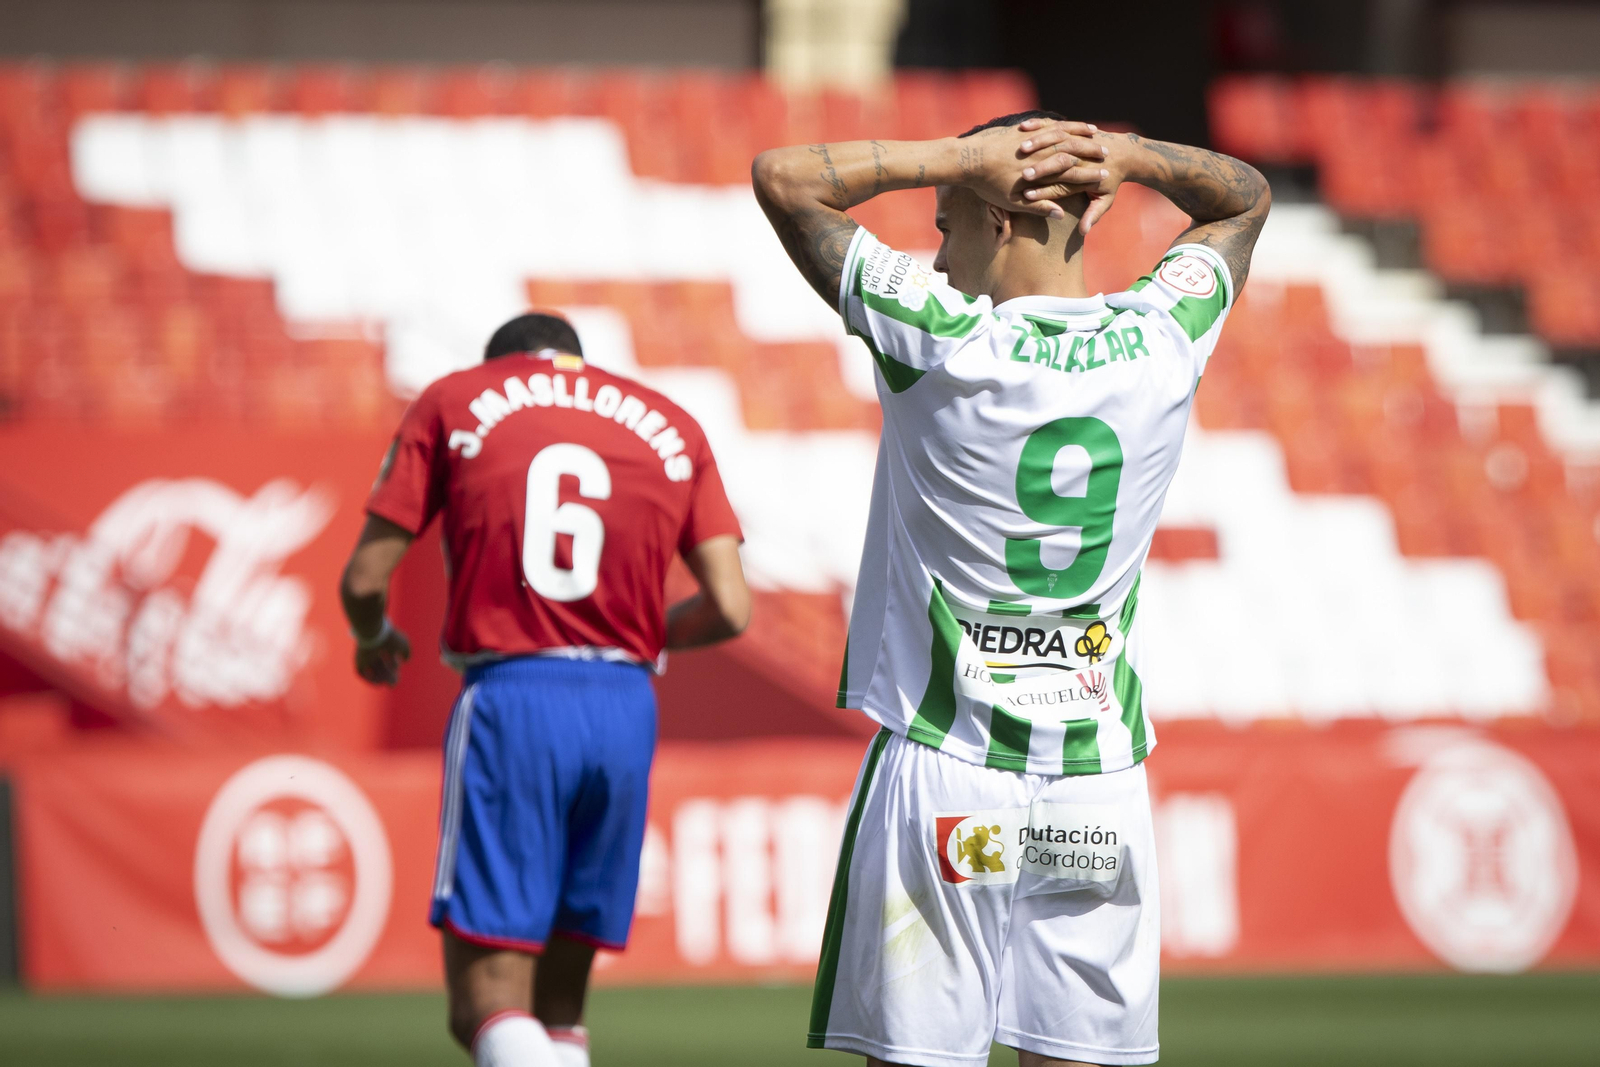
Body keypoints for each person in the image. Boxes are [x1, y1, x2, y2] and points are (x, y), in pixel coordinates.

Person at [752, 112, 1269, 1067]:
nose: (938, 254)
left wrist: (956, 158)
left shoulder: (942, 341)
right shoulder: (1162, 340)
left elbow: (784, 179)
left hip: (954, 782)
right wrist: (1134, 156)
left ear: (998, 215)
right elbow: (1246, 199)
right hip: (1092, 793)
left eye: (947, 220)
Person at [339, 312, 751, 1067]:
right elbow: (730, 604)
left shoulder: (456, 401)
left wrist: (373, 637)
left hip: (516, 693)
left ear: (506, 364)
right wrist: (636, 637)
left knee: (486, 1003)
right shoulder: (672, 423)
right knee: (561, 1006)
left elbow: (365, 579)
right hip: (625, 705)